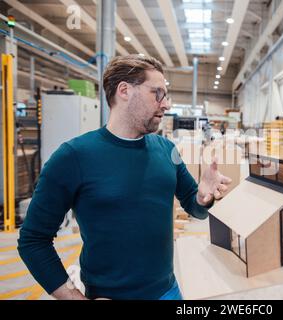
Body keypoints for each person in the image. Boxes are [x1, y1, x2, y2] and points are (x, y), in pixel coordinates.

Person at [18, 54, 232, 300]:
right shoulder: (74, 157)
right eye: (158, 94)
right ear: (124, 90)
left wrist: (204, 197)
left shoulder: (166, 150)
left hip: (168, 292)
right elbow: (33, 240)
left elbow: (195, 208)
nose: (166, 105)